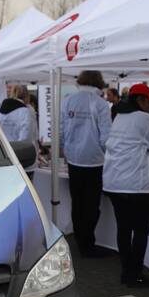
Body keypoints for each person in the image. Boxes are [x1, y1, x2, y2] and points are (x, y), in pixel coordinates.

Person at [103, 83, 149, 288]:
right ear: (140, 100)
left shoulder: (118, 117)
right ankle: (135, 273)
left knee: (123, 229)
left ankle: (126, 271)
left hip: (114, 182)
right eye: (147, 102)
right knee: (140, 230)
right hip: (137, 184)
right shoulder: (145, 119)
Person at [60, 70, 112, 257]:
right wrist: (108, 155)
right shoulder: (101, 104)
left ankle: (80, 239)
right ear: (99, 82)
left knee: (77, 202)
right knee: (91, 204)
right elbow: (106, 136)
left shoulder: (68, 101)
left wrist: (65, 150)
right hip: (94, 161)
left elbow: (61, 129)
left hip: (74, 159)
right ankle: (87, 243)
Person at [0, 85, 39, 176]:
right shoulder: (26, 111)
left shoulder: (0, 111)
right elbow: (26, 137)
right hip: (22, 159)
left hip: (5, 155)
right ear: (27, 96)